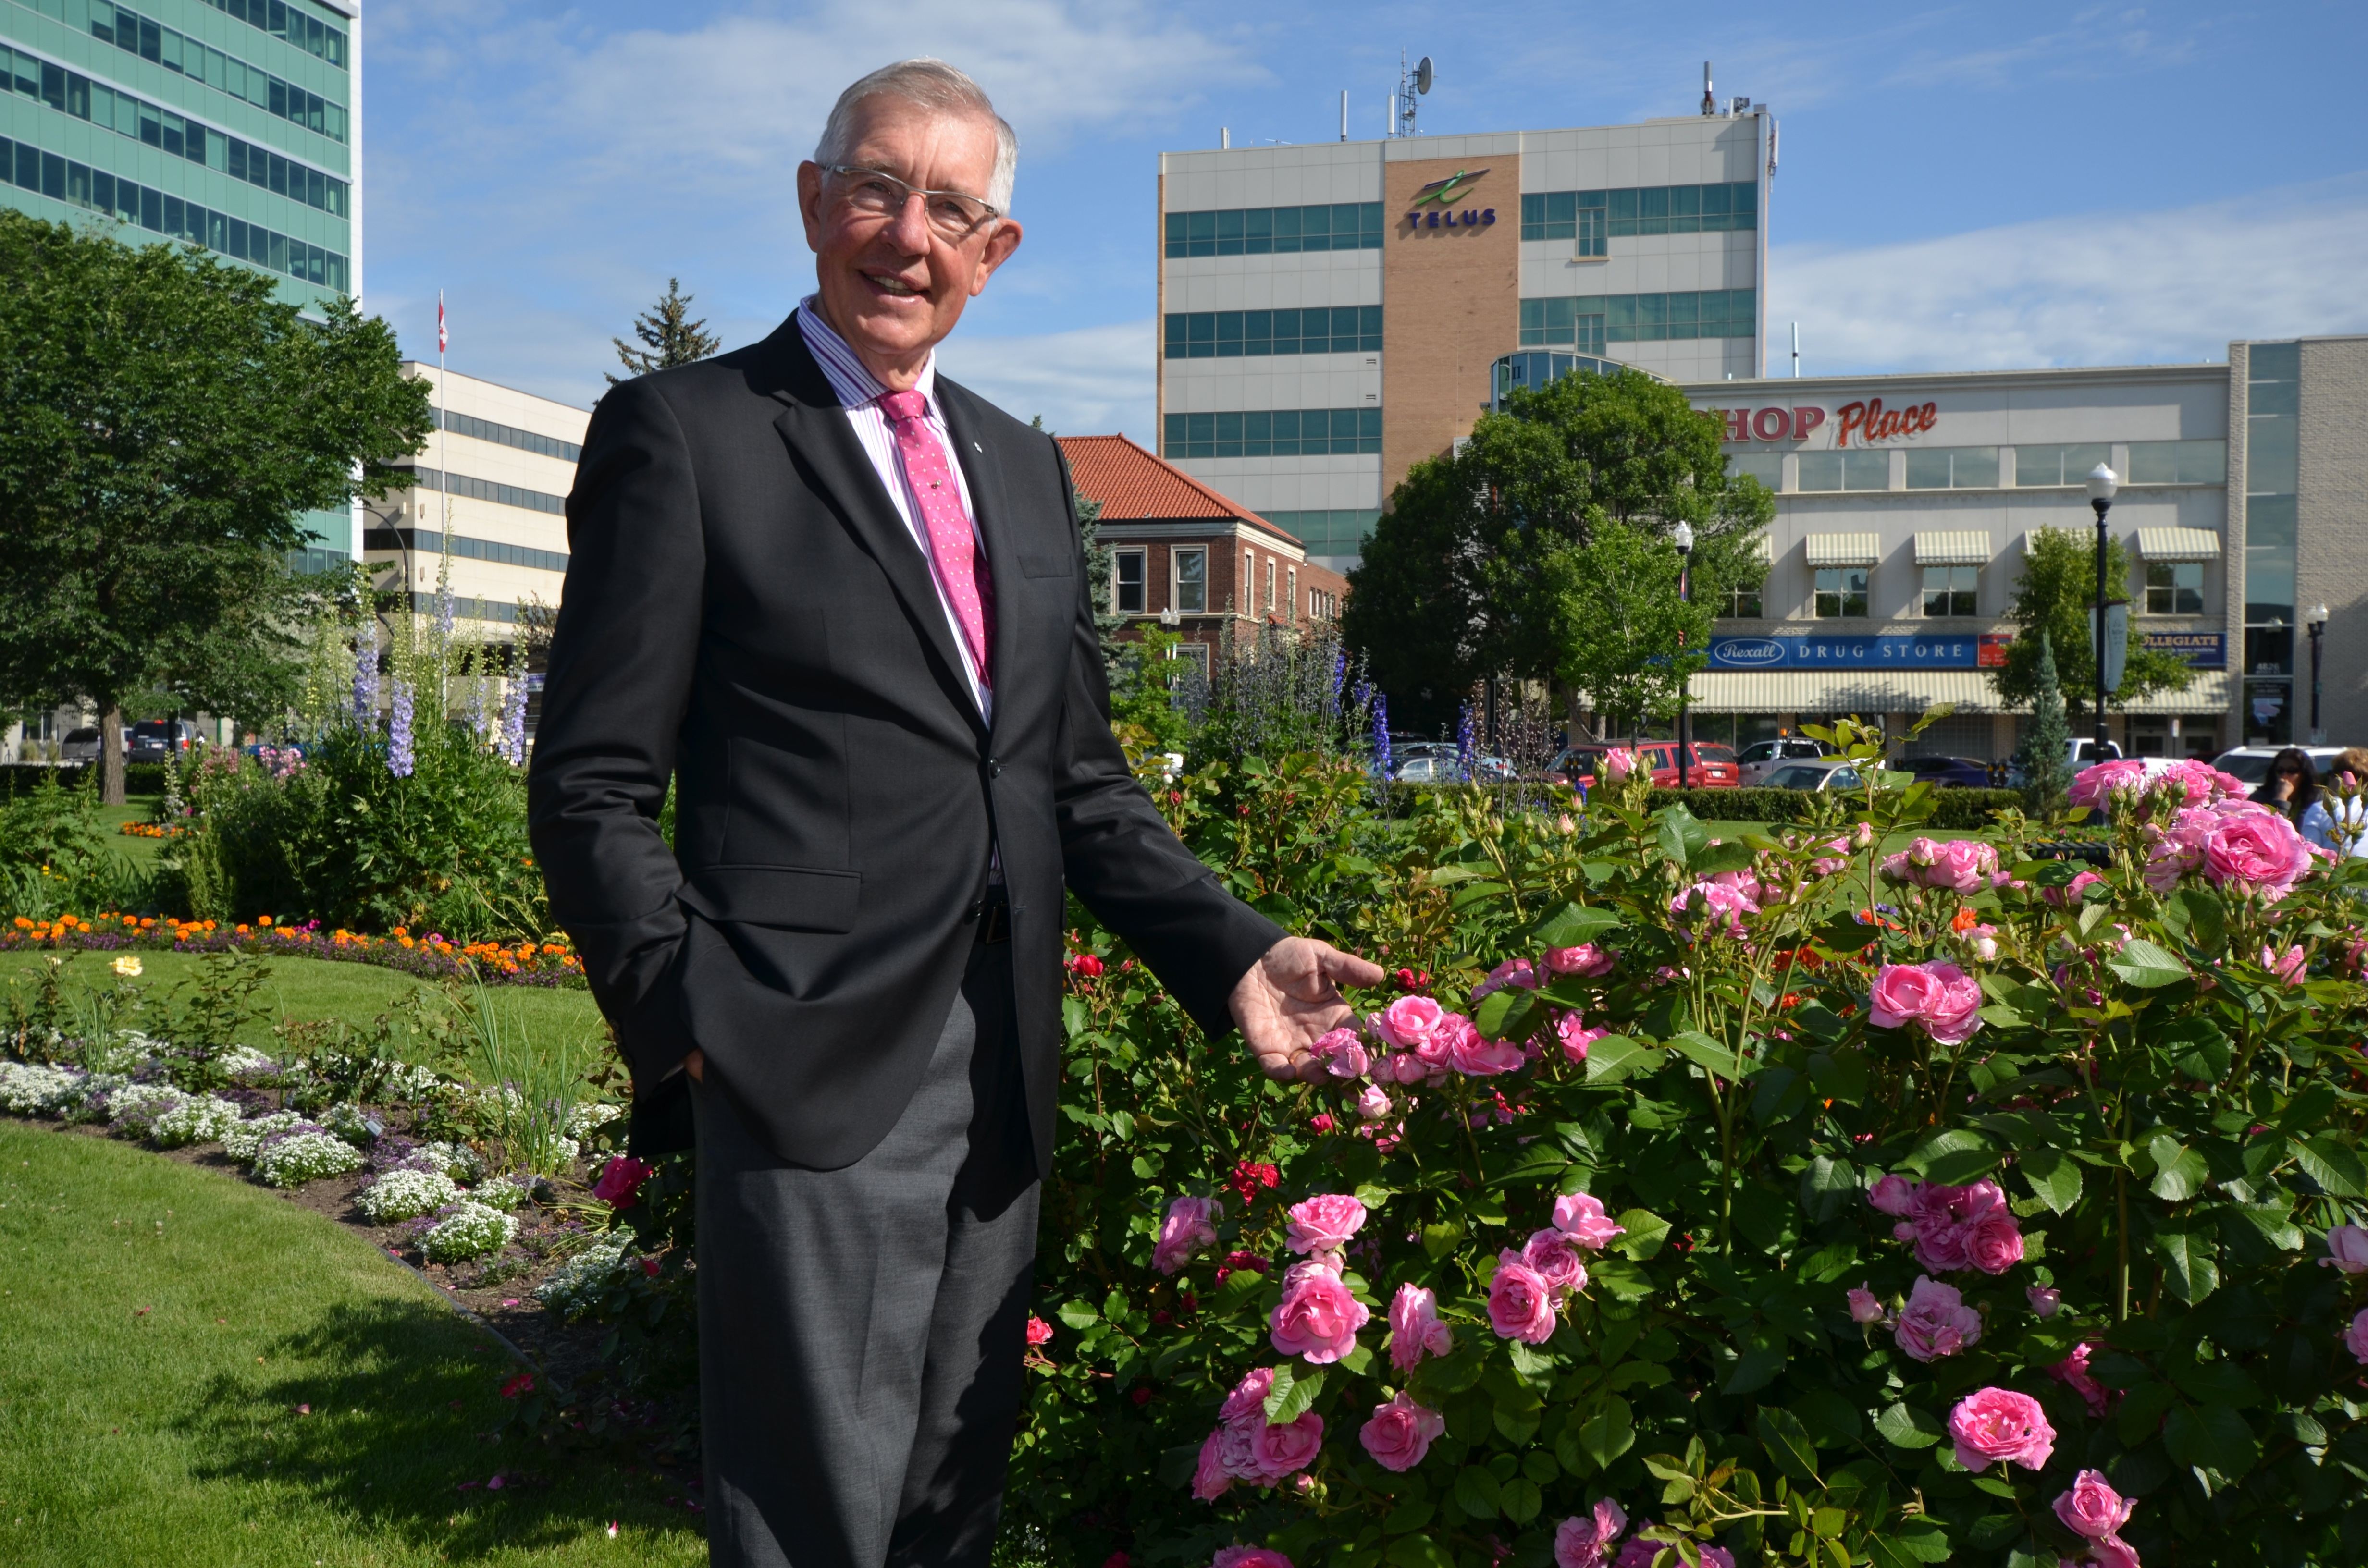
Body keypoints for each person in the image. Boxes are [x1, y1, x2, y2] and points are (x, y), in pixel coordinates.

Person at [526, 59, 1382, 1568]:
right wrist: (692, 1020)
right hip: (800, 1058)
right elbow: (591, 781)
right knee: (810, 1517)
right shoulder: (689, 433)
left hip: (1001, 1066)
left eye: (949, 208)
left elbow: (1071, 779)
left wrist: (1229, 949)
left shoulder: (1023, 466)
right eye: (874, 186)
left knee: (943, 1504)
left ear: (993, 253)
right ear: (812, 201)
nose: (905, 234)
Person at [2251, 746, 2337, 851]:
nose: (2284, 776)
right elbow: (2273, 832)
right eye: (2280, 771)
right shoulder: (2260, 797)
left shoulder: (2317, 798)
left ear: (2304, 774)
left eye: (2292, 771)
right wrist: (2281, 798)